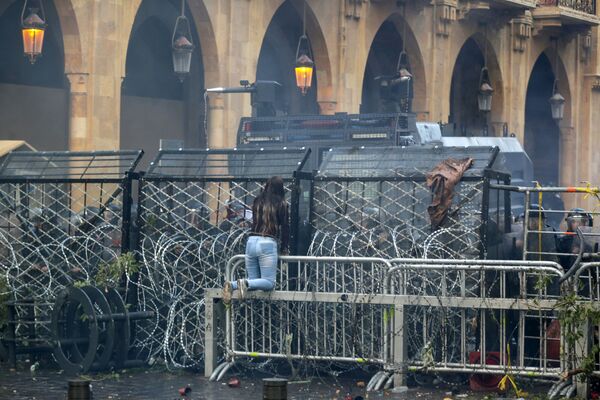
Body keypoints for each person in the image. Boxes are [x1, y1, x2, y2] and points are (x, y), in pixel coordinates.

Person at [222, 176, 289, 303]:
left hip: (251, 241)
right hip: (267, 243)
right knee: (269, 283)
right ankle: (238, 284)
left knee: (253, 283)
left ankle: (234, 285)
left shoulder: (258, 201)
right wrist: (284, 247)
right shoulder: (281, 203)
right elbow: (285, 227)